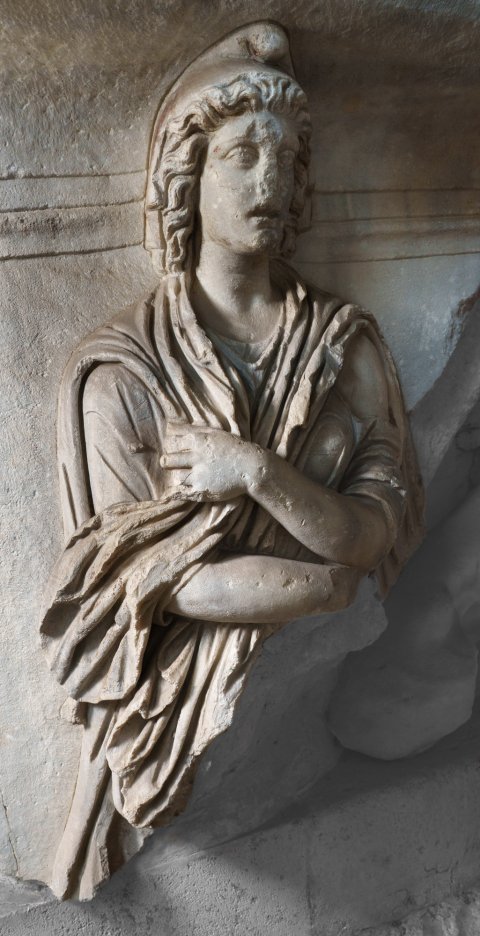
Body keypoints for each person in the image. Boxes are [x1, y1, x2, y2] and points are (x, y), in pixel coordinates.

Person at [40, 23, 423, 900]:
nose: (268, 181)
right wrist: (322, 584)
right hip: (187, 728)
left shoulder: (346, 346)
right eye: (242, 155)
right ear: (187, 177)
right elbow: (146, 581)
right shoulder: (123, 371)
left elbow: (373, 531)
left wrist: (256, 473)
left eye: (285, 160)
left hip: (308, 714)